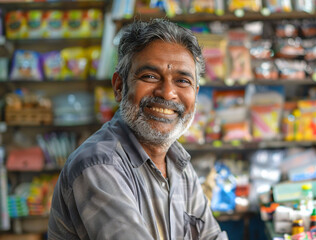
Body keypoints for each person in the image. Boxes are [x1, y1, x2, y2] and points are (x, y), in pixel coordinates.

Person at [48, 19, 228, 240]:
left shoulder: (178, 163)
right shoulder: (99, 164)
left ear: (196, 93)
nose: (167, 93)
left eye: (182, 81)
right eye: (150, 77)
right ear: (119, 87)